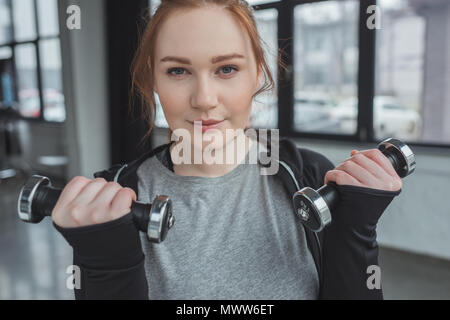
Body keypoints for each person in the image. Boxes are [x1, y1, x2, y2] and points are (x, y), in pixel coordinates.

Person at [52, 0, 402, 300]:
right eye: (177, 70)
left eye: (227, 69)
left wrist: (356, 233)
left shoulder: (311, 176)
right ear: (152, 82)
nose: (204, 99)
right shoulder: (111, 203)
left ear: (257, 76)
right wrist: (107, 265)